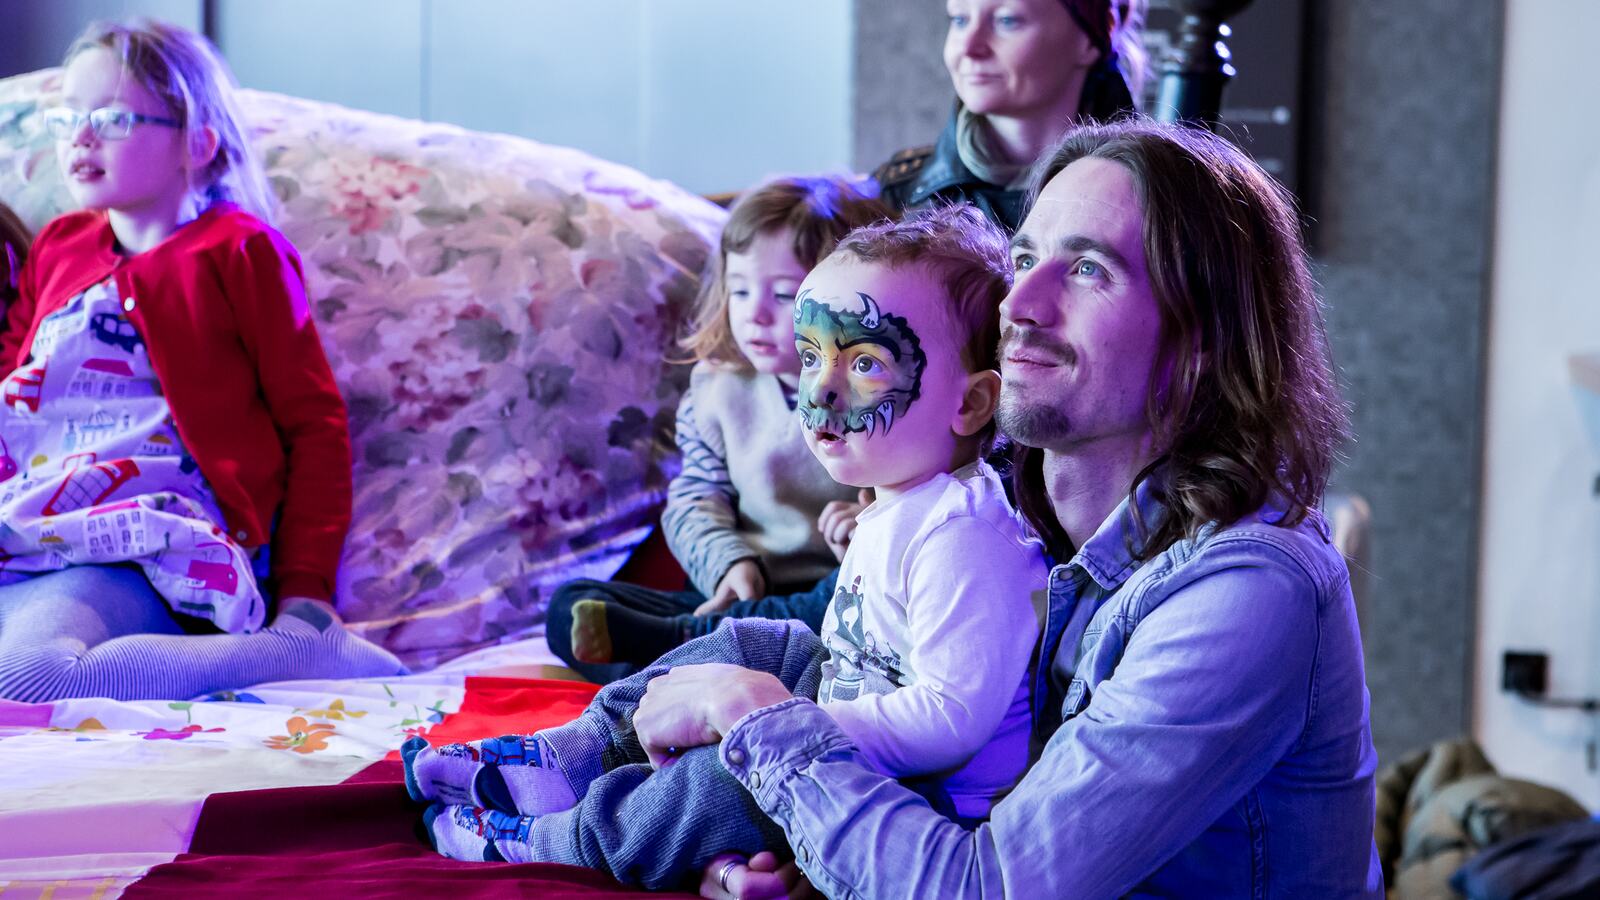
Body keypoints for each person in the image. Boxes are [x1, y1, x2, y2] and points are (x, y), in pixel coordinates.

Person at [633, 118, 1385, 898]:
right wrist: (807, 853)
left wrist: (754, 718)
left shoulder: (1247, 593)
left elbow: (987, 886)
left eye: (1087, 269)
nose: (1018, 303)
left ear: (1203, 339)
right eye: (1024, 259)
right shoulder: (998, 506)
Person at [403, 204, 1050, 890]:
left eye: (864, 362)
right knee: (758, 644)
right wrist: (768, 703)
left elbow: (951, 719)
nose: (821, 388)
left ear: (971, 405)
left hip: (922, 793)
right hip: (851, 718)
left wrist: (768, 725)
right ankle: (571, 758)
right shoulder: (901, 500)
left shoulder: (964, 537)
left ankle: (557, 838)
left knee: (721, 776)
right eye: (811, 357)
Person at [0, 19, 403, 702]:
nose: (80, 136)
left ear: (197, 142)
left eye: (112, 118)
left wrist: (305, 594)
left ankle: (298, 653)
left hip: (147, 540)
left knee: (28, 679)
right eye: (68, 117)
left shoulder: (239, 253)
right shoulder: (60, 247)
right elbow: (15, 387)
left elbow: (313, 425)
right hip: (27, 527)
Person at [545, 177, 888, 683]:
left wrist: (869, 527)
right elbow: (695, 496)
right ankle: (707, 650)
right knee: (570, 606)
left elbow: (914, 495)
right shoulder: (718, 387)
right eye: (741, 290)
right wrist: (728, 564)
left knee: (845, 602)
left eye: (784, 294)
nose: (755, 314)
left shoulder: (878, 393)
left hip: (832, 592)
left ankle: (689, 649)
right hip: (743, 589)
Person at [875, 0, 1147, 232]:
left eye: (1007, 21)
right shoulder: (893, 197)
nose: (969, 47)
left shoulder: (1153, 200)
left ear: (1093, 38)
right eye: (960, 20)